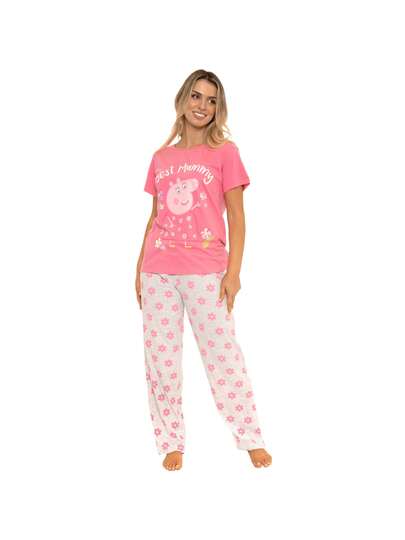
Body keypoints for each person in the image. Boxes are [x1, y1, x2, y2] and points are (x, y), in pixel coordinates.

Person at [135, 69, 272, 471]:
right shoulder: (161, 158)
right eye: (196, 96)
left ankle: (250, 436)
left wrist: (234, 273)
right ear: (182, 100)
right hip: (158, 270)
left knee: (224, 356)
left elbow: (237, 217)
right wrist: (138, 267)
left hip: (206, 271)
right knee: (161, 362)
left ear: (218, 109)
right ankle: (171, 441)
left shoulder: (225, 153)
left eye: (212, 100)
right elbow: (154, 217)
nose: (202, 106)